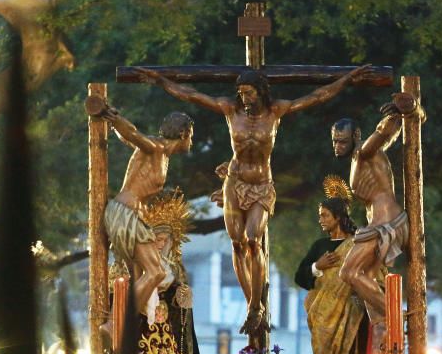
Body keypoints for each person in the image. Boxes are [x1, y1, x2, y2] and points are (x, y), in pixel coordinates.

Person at [135, 64, 371, 338]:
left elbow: (316, 97)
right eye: (240, 93)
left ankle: (257, 304)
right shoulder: (229, 110)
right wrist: (160, 80)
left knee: (252, 239)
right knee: (236, 244)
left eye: (248, 93)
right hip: (234, 184)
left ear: (260, 91)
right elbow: (190, 95)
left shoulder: (276, 112)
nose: (244, 99)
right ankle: (252, 304)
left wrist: (347, 79)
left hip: (260, 185)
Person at [331, 93, 425, 354]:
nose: (337, 146)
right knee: (366, 279)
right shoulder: (357, 158)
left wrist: (395, 114)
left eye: (342, 140)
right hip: (381, 222)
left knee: (348, 273)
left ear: (355, 135)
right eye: (335, 141)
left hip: (387, 223)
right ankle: (382, 324)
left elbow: (381, 136)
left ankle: (396, 315)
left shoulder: (363, 152)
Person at [97, 101, 194, 329]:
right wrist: (114, 118)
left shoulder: (161, 155)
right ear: (183, 133)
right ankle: (114, 325)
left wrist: (117, 126)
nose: (192, 141)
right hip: (125, 214)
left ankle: (124, 327)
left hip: (132, 217)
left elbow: (128, 138)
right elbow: (133, 134)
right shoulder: (157, 148)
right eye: (191, 136)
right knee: (156, 272)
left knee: (144, 275)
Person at [294, 177, 373, 354]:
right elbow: (301, 276)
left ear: (338, 216)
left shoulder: (358, 243)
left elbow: (371, 274)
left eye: (325, 215)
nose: (321, 220)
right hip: (323, 321)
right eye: (320, 215)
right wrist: (318, 266)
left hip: (353, 315)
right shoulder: (320, 246)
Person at [137, 190, 208, 354]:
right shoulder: (140, 265)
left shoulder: (175, 268)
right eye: (157, 238)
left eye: (165, 239)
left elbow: (182, 310)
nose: (161, 243)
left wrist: (183, 300)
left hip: (169, 335)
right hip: (146, 332)